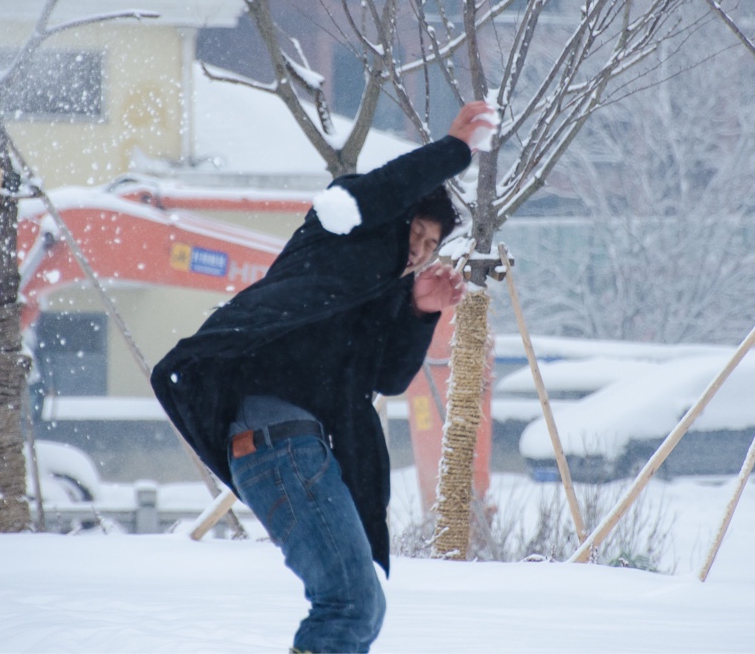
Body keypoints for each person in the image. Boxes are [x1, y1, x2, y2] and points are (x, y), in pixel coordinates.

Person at [151, 101, 497, 654]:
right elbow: (369, 194)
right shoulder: (336, 229)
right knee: (350, 604)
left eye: (433, 247)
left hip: (296, 446)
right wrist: (453, 150)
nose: (420, 250)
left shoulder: (372, 299)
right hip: (277, 438)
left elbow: (387, 378)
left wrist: (419, 312)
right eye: (419, 231)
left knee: (361, 606)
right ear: (399, 213)